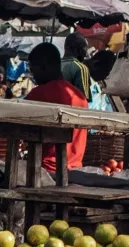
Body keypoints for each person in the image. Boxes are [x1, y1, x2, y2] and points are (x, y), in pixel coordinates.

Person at [23, 41, 88, 169]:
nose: (33, 77)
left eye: (32, 70)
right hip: (76, 170)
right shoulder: (79, 96)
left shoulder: (39, 94)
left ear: (43, 66)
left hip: (46, 170)